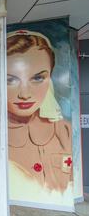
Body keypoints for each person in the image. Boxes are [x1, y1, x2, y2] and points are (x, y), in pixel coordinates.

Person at [7, 30, 73, 202]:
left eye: (37, 78)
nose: (25, 94)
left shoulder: (64, 131)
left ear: (49, 79)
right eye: (10, 80)